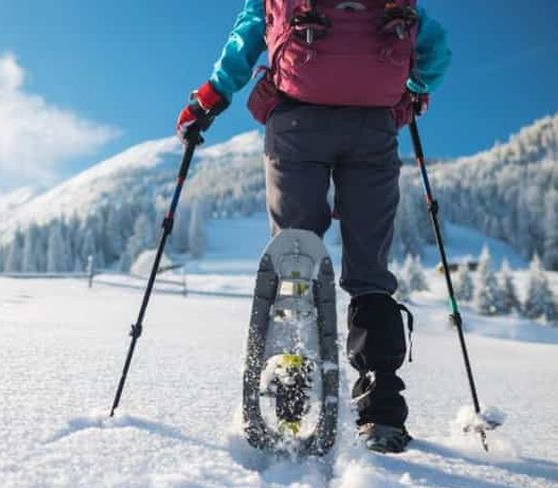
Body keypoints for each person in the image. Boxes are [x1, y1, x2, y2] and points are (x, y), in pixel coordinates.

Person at [176, 0, 451, 453]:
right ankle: (380, 408)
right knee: (369, 272)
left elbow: (249, 34)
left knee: (295, 256)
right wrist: (415, 86)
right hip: (373, 128)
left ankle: (291, 389)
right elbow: (434, 47)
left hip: (296, 121)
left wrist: (211, 96)